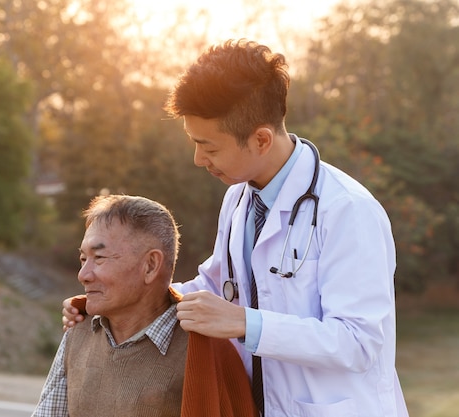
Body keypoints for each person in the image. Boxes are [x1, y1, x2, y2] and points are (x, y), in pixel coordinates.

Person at [63, 40, 410, 417]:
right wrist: (114, 300)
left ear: (261, 139)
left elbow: (359, 342)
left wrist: (246, 323)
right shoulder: (239, 198)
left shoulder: (348, 211)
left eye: (208, 147)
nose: (199, 160)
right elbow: (214, 287)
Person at [33, 194, 257, 417]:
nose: (83, 275)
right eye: (83, 259)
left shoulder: (204, 351)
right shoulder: (78, 331)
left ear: (150, 265)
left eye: (99, 258)